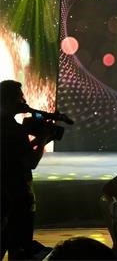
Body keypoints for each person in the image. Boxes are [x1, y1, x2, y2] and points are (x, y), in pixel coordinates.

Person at [1, 80, 54, 259]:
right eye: (19, 97)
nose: (24, 100)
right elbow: (30, 162)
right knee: (20, 249)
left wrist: (39, 141)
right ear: (8, 100)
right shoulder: (14, 129)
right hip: (16, 199)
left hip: (6, 198)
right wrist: (43, 139)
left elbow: (14, 154)